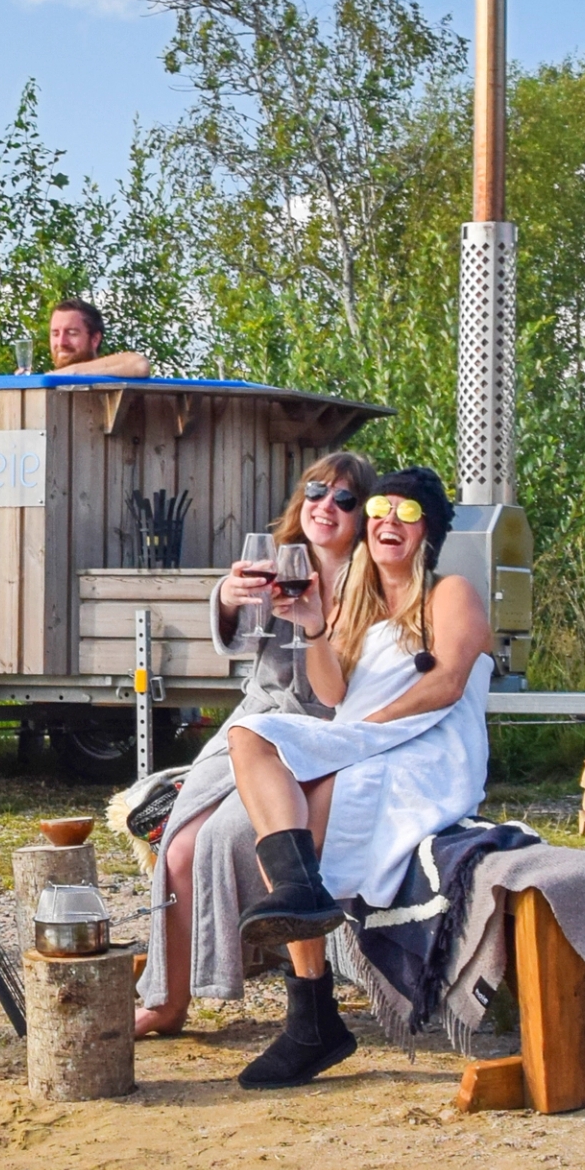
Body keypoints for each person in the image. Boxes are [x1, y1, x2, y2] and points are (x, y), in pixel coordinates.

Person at [210, 464, 497, 1087]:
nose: (390, 521)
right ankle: (308, 962)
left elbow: (447, 683)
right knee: (252, 739)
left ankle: (311, 1018)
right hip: (369, 739)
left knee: (304, 820)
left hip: (430, 749)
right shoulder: (356, 603)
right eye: (381, 510)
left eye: (408, 513)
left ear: (429, 532)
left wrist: (364, 734)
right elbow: (333, 690)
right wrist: (313, 623)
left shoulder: (452, 594)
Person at [134, 450, 374, 1041]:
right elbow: (241, 642)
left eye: (344, 499)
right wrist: (227, 595)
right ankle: (166, 998)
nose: (326, 506)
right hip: (252, 723)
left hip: (316, 737)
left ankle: (204, 990)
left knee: (211, 842)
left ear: (363, 514)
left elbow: (338, 694)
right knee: (178, 844)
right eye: (317, 491)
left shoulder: (372, 584)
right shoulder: (280, 562)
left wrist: (317, 622)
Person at [41, 296, 153, 378]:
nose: (61, 342)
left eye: (72, 333)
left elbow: (140, 365)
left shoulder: (108, 382)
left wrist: (72, 372)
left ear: (95, 339)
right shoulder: (42, 387)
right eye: (55, 334)